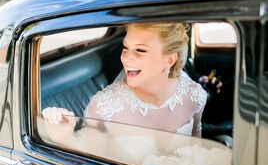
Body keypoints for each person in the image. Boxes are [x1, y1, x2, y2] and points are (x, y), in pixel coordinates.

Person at [42, 22, 207, 138]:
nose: (126, 59)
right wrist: (65, 137)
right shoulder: (104, 107)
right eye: (125, 47)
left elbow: (195, 151)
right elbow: (87, 162)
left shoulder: (194, 95)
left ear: (169, 60)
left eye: (140, 50)